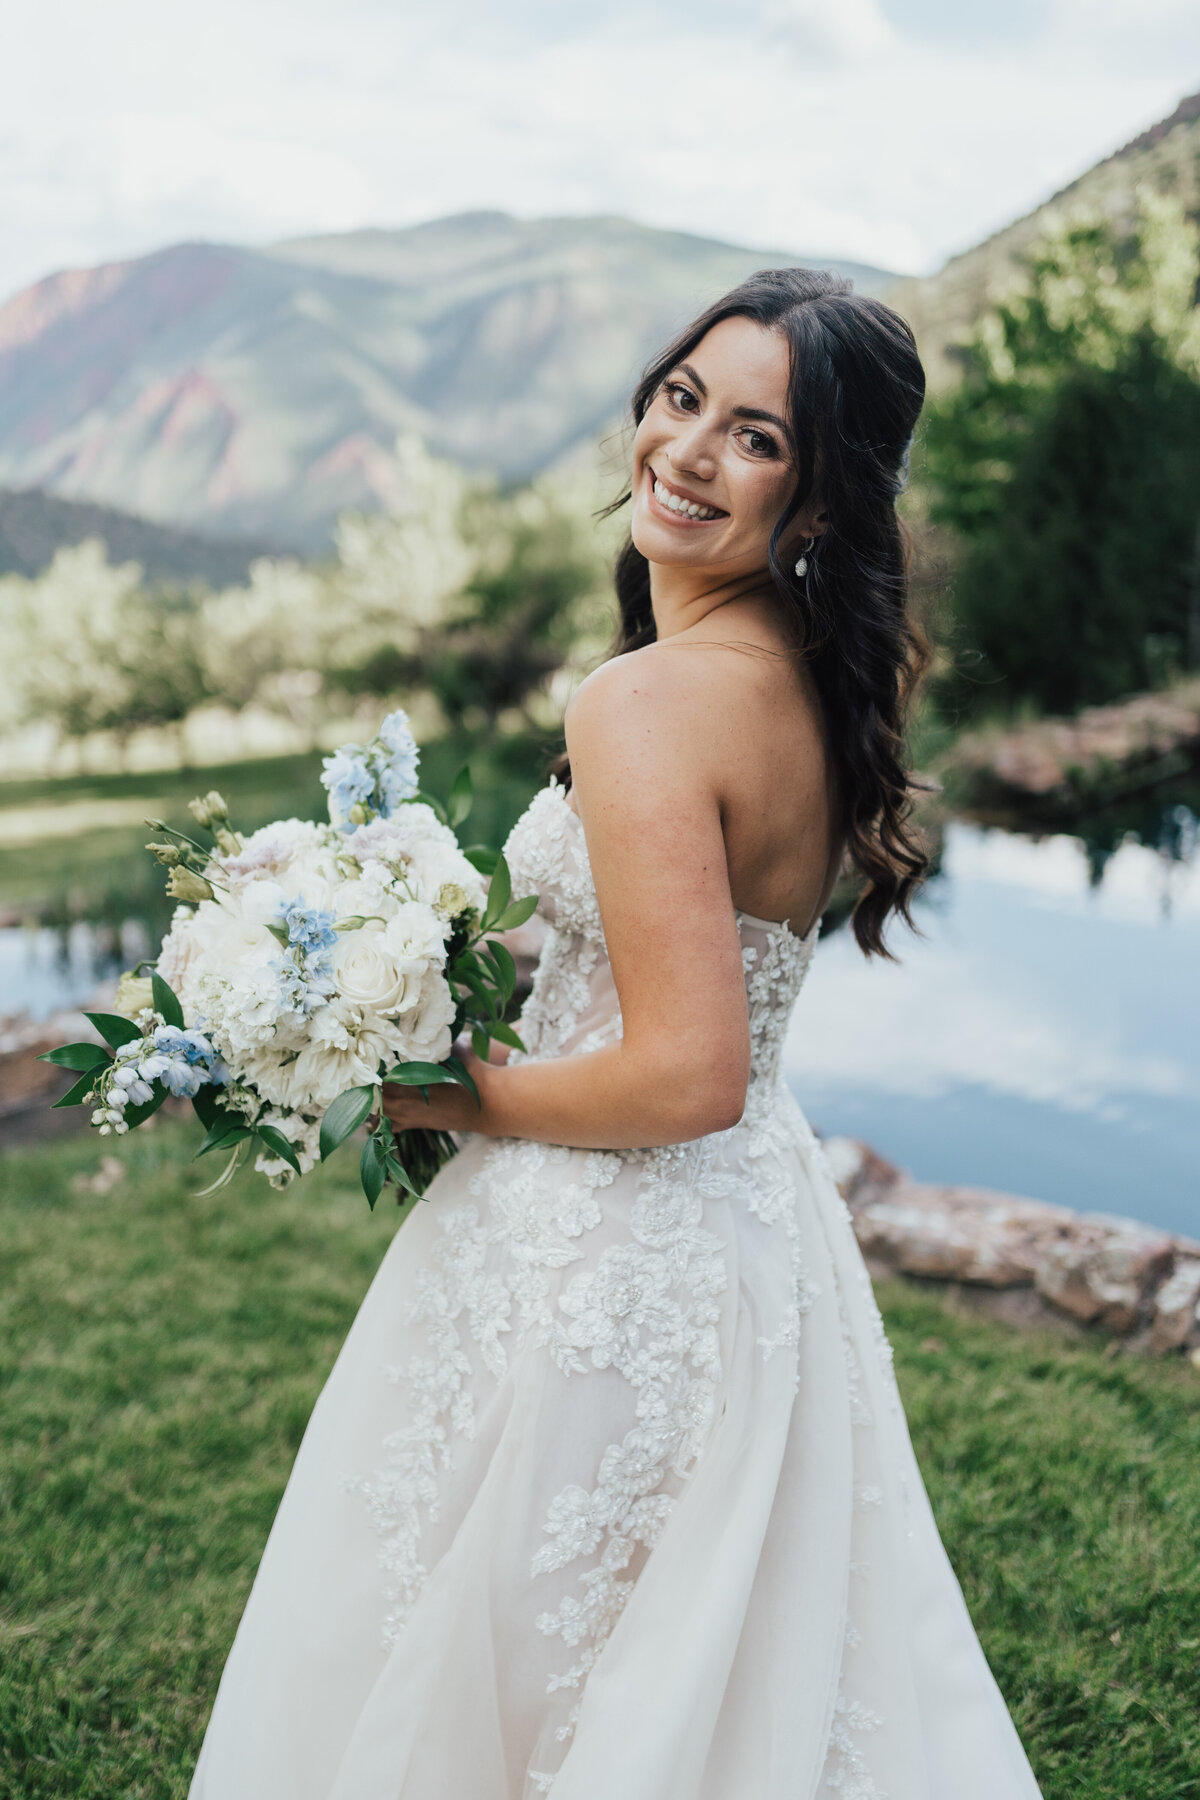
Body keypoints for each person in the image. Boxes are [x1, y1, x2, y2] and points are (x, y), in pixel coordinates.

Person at [189, 269, 1043, 1799]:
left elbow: (686, 1072)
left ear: (823, 499)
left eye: (758, 437)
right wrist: (415, 944)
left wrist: (443, 1096)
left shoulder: (645, 703)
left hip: (603, 1257)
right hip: (752, 1251)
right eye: (682, 397)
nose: (691, 450)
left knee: (517, 1671)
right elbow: (693, 955)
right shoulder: (800, 680)